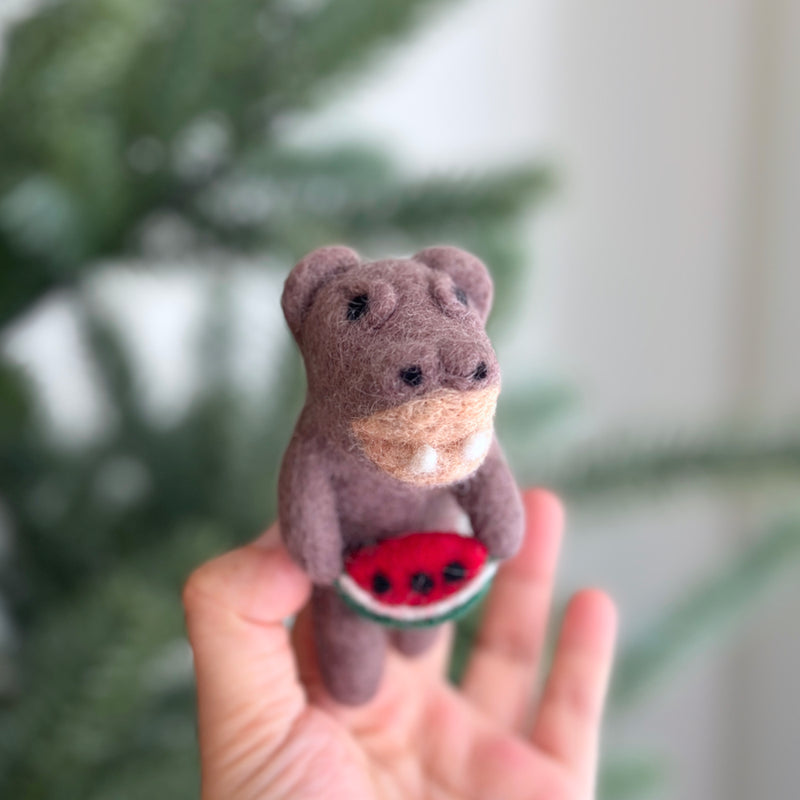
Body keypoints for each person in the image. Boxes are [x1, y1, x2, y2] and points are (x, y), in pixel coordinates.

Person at [182, 489, 617, 799]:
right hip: (350, 595)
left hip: (386, 574)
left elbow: (490, 497)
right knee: (353, 674)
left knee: (401, 648)